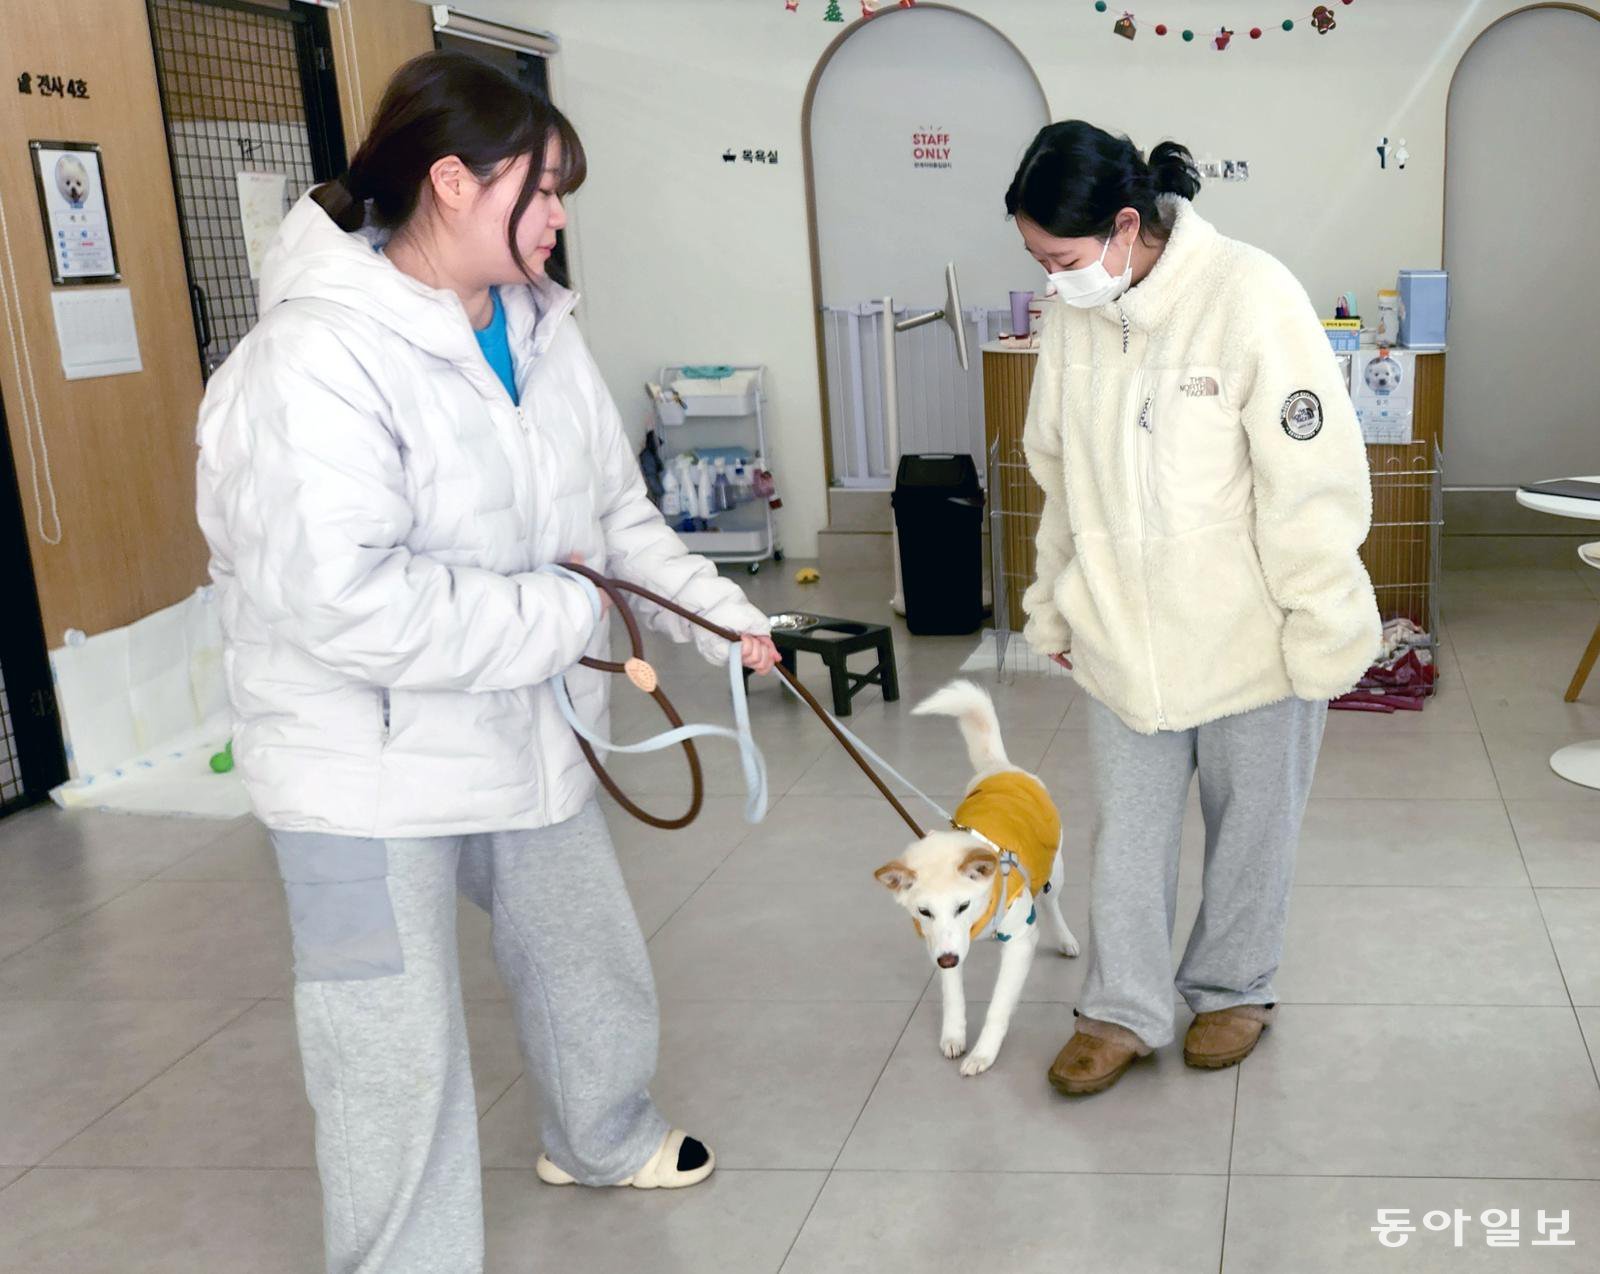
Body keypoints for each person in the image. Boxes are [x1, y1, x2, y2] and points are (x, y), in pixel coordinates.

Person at [195, 51, 781, 1273]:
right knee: (385, 1044)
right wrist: (566, 622)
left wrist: (717, 616)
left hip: (523, 725)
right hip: (352, 773)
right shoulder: (312, 359)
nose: (562, 218)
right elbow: (344, 602)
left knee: (584, 947)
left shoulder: (538, 325)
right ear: (452, 182)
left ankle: (602, 1134)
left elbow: (614, 522)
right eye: (545, 189)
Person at [1006, 122, 1380, 1096]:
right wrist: (1052, 602)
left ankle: (1231, 987)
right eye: (1038, 261)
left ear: (1126, 226)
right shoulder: (1074, 320)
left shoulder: (1249, 293)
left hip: (1249, 631)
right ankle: (1121, 1007)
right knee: (1124, 832)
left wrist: (1318, 619)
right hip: (1122, 633)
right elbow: (1056, 475)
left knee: (1252, 821)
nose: (1053, 279)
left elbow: (1311, 477)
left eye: (1063, 257)